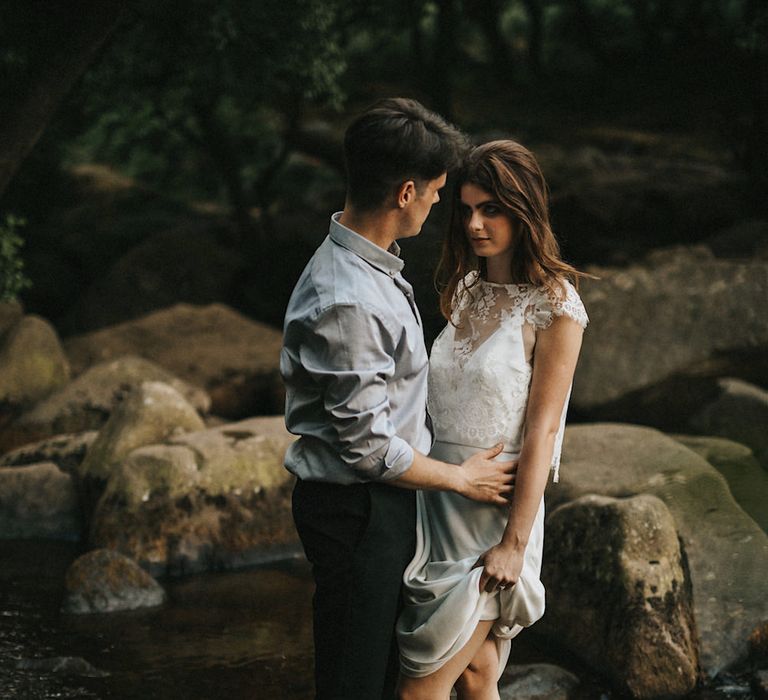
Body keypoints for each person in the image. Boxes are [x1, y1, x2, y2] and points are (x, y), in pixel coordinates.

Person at [280, 99, 517, 700]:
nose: (442, 205)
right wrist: (462, 481)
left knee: (380, 673)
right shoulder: (348, 298)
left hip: (381, 508)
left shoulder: (369, 269)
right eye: (438, 192)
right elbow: (367, 450)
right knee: (354, 681)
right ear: (406, 192)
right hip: (356, 508)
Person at [396, 140, 589, 700]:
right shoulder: (465, 290)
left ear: (523, 209)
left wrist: (513, 542)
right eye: (466, 210)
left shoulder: (555, 306)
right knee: (479, 676)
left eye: (492, 210)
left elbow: (544, 431)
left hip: (496, 516)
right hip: (438, 502)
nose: (476, 224)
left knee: (420, 691)